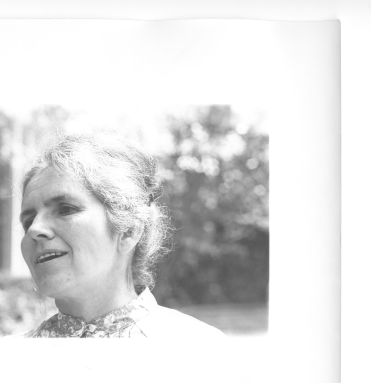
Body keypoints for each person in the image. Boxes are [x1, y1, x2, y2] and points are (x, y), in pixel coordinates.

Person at [17, 131, 224, 338]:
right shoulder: (5, 355)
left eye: (65, 209)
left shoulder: (197, 348)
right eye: (28, 221)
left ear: (128, 230)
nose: (34, 229)